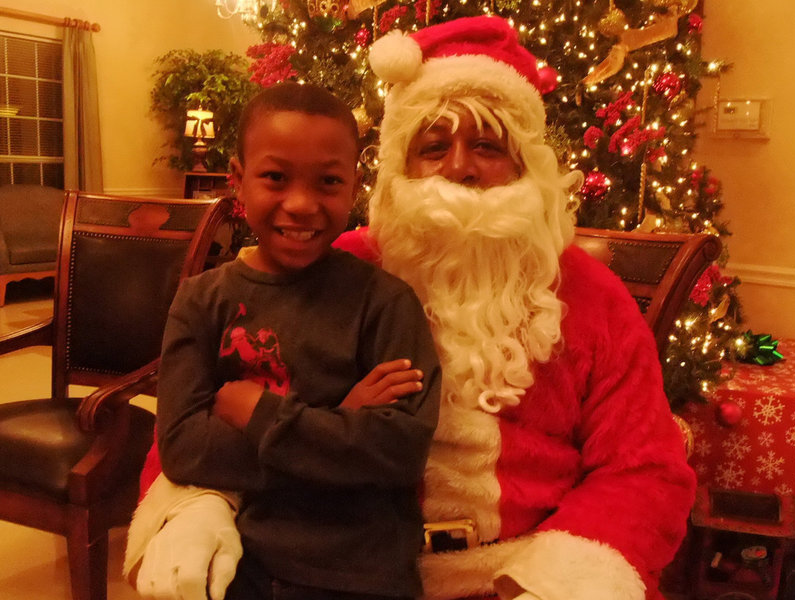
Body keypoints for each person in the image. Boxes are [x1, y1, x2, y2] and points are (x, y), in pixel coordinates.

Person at [127, 16, 696, 600]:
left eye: (487, 146)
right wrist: (195, 509)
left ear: (525, 163)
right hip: (331, 564)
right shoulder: (335, 264)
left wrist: (556, 582)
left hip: (518, 573)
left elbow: (643, 469)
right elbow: (199, 413)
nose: (459, 167)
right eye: (433, 147)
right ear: (400, 165)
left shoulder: (591, 297)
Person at [125, 82, 441, 600]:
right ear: (237, 180)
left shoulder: (386, 303)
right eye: (275, 177)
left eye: (328, 182)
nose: (300, 204)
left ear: (353, 187)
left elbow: (398, 453)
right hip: (239, 563)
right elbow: (182, 449)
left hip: (362, 571)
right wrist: (340, 415)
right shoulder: (200, 300)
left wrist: (258, 414)